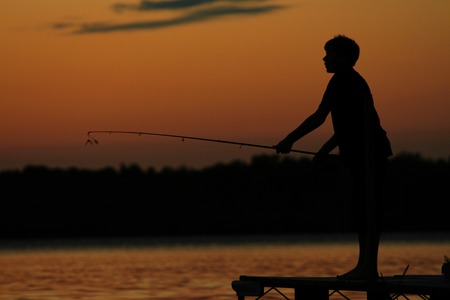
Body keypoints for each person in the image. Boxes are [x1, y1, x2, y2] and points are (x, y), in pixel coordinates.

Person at [275, 34, 393, 281]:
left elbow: (319, 117)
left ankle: (368, 268)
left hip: (370, 154)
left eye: (329, 54)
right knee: (362, 209)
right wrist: (322, 152)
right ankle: (365, 266)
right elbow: (345, 129)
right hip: (361, 153)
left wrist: (290, 139)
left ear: (345, 58)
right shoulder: (341, 81)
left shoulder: (347, 81)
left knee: (368, 209)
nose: (324, 58)